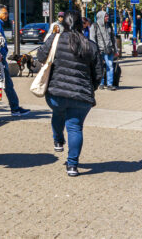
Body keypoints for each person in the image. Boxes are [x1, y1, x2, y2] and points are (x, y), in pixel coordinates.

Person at [35, 9, 103, 177]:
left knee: (58, 113)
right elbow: (99, 73)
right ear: (81, 24)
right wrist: (90, 88)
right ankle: (72, 166)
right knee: (75, 127)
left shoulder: (55, 39)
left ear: (63, 23)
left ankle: (58, 139)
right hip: (81, 95)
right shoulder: (89, 44)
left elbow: (40, 56)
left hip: (56, 92)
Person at [0, 4, 31, 116]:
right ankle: (15, 108)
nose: (7, 15)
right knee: (6, 84)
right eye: (5, 13)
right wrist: (2, 55)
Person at [91, 11, 117, 89]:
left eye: (107, 16)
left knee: (110, 66)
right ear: (101, 17)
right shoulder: (94, 26)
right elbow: (92, 39)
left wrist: (116, 50)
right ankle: (100, 83)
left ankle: (109, 84)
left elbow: (113, 38)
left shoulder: (109, 25)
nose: (107, 17)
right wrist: (95, 50)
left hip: (109, 50)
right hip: (99, 50)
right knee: (100, 67)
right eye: (106, 16)